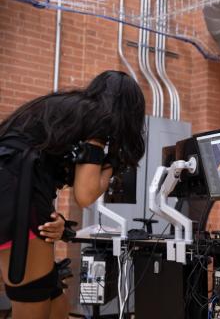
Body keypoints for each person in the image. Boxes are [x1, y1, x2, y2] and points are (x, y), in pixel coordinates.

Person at [0, 70, 146, 319]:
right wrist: (112, 161)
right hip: (14, 194)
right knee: (33, 297)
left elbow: (41, 165)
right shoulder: (100, 120)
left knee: (53, 292)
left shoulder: (71, 110)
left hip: (16, 189)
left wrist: (57, 220)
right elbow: (86, 194)